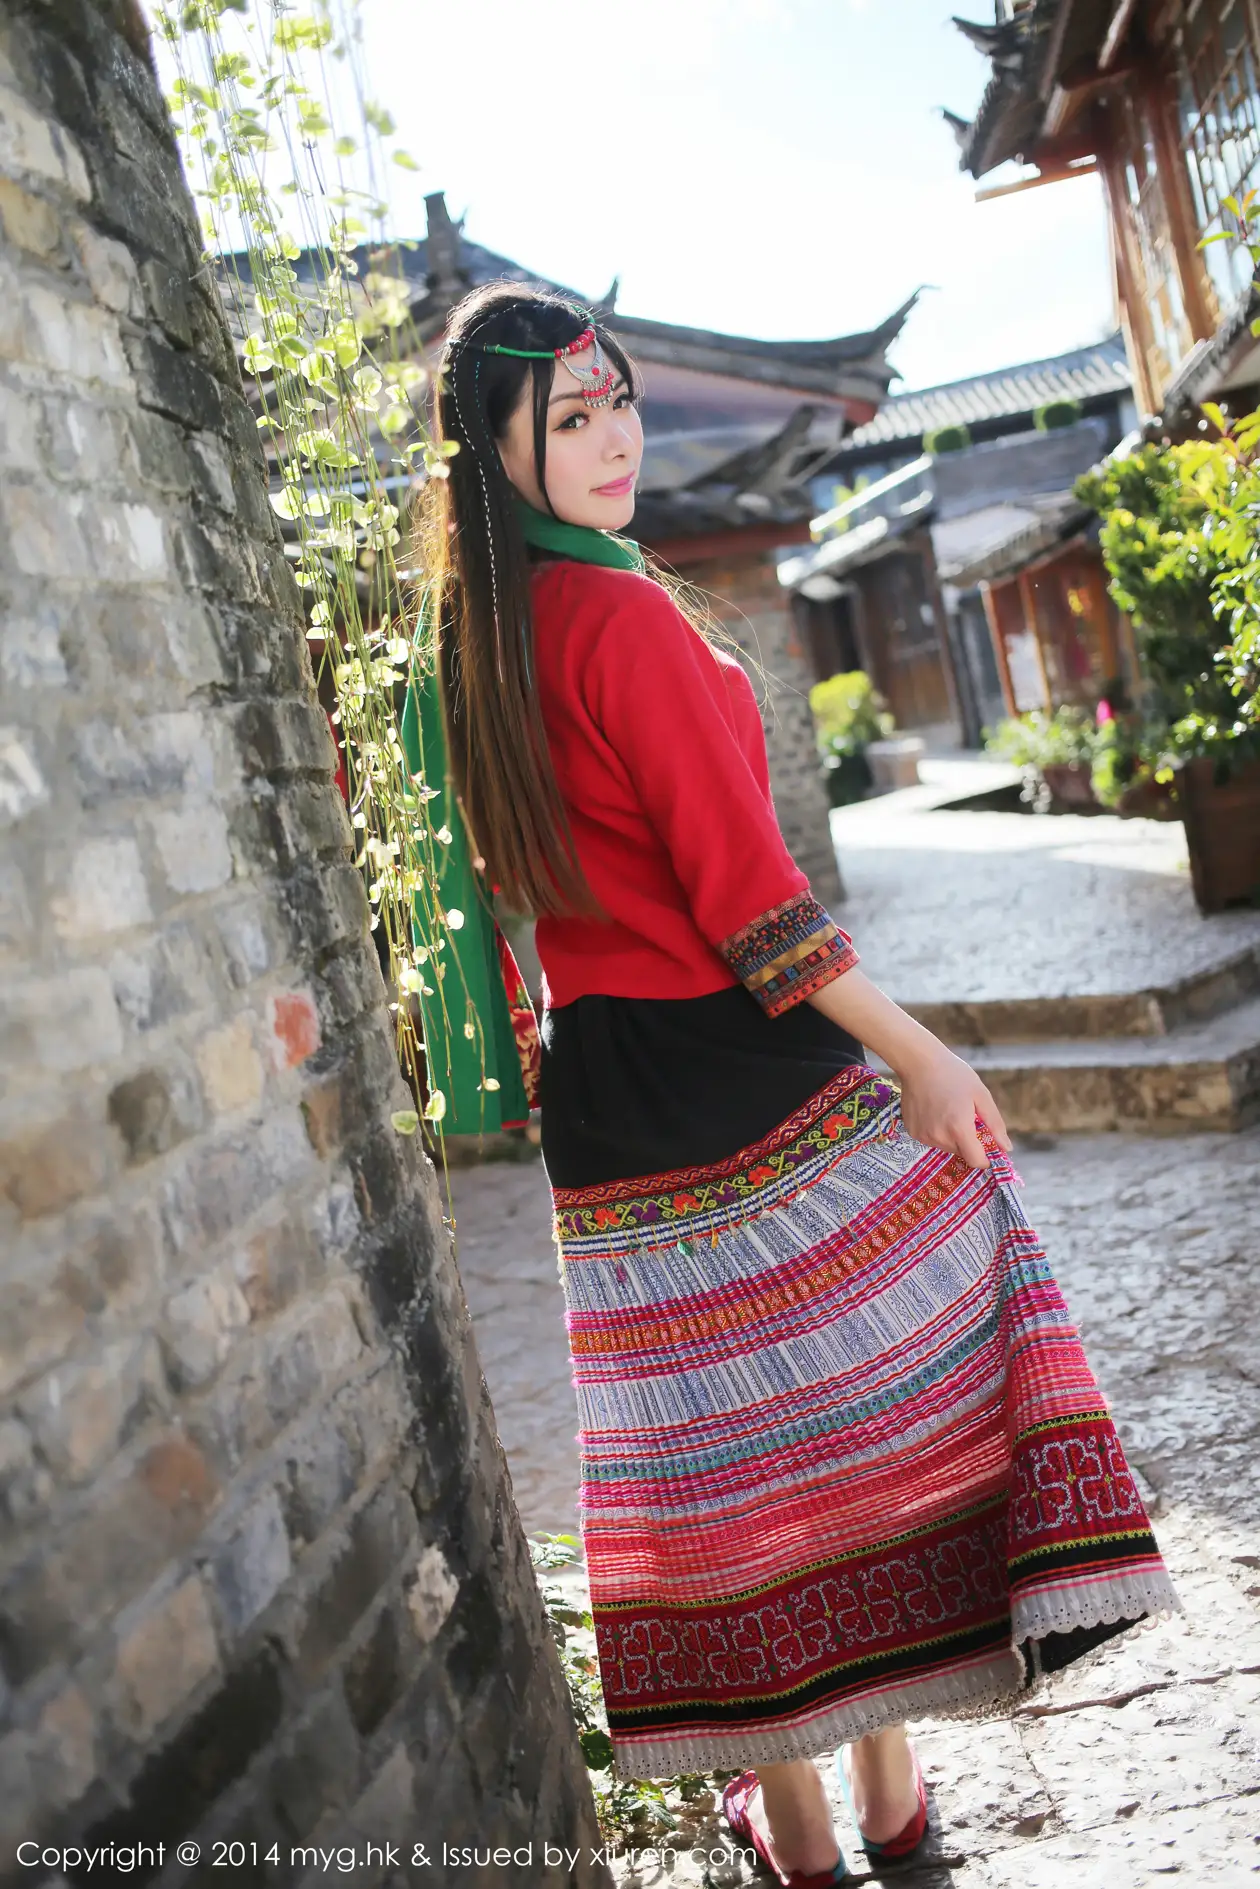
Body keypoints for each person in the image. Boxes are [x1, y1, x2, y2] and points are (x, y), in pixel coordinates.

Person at [406, 281, 1179, 1887]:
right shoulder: (621, 618)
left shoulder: (477, 642)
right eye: (571, 417)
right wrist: (921, 1051)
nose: (616, 437)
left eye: (619, 401)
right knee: (880, 1398)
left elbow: (510, 914)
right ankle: (882, 1790)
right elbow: (753, 902)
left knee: (723, 1457)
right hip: (741, 1051)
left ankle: (808, 1822)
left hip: (605, 1095)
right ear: (498, 450)